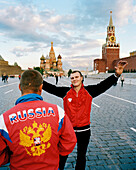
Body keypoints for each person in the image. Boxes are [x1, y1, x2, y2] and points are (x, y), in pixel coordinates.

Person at [42, 60, 128, 170]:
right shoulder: (65, 92)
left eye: (77, 77)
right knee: (62, 155)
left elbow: (104, 85)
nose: (74, 79)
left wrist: (117, 75)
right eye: (72, 78)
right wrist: (35, 78)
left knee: (81, 156)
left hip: (84, 131)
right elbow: (51, 88)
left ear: (82, 78)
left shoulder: (89, 91)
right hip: (68, 131)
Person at [0, 69, 77, 169]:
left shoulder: (4, 120)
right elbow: (69, 141)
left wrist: (15, 157)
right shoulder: (58, 112)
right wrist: (52, 154)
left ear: (20, 87)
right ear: (41, 87)